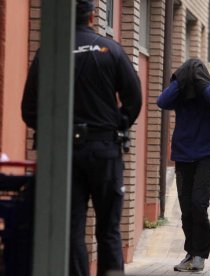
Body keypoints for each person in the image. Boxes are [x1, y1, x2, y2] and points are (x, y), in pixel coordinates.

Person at [21, 0, 142, 275]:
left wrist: (53, 132)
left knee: (71, 228)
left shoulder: (49, 51)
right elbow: (134, 98)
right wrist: (117, 125)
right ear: (92, 17)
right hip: (104, 149)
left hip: (63, 152)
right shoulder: (110, 49)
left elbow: (29, 109)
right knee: (109, 229)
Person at [157, 58, 210, 272]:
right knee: (186, 208)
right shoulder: (180, 93)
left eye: (194, 75)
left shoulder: (208, 91)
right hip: (183, 154)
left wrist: (199, 82)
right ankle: (191, 252)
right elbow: (162, 101)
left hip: (207, 155)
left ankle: (200, 254)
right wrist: (181, 81)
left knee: (199, 204)